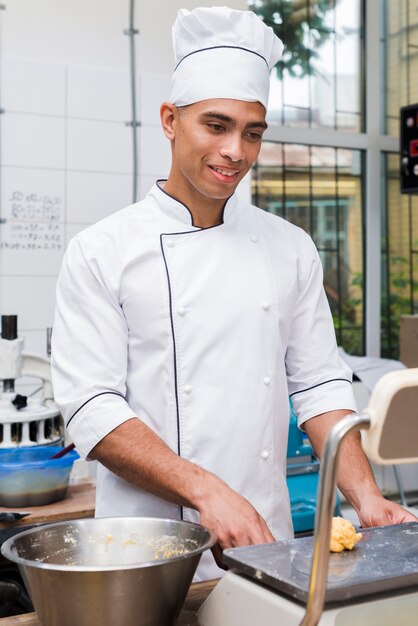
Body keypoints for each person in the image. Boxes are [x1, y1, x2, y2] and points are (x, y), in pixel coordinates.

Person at [51, 6, 416, 581]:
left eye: (252, 133)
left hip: (265, 541)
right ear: (171, 120)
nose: (235, 151)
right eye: (215, 126)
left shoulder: (289, 247)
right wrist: (205, 489)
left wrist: (365, 495)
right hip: (146, 548)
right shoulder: (102, 250)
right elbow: (91, 408)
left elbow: (320, 383)